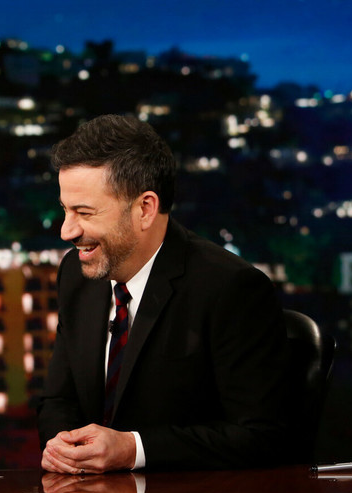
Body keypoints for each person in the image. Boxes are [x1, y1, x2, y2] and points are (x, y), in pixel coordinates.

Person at [38, 114, 291, 474]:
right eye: (65, 210)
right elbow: (58, 399)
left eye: (84, 212)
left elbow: (263, 437)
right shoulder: (76, 275)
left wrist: (134, 449)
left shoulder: (230, 288)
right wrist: (62, 446)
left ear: (145, 209)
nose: (67, 231)